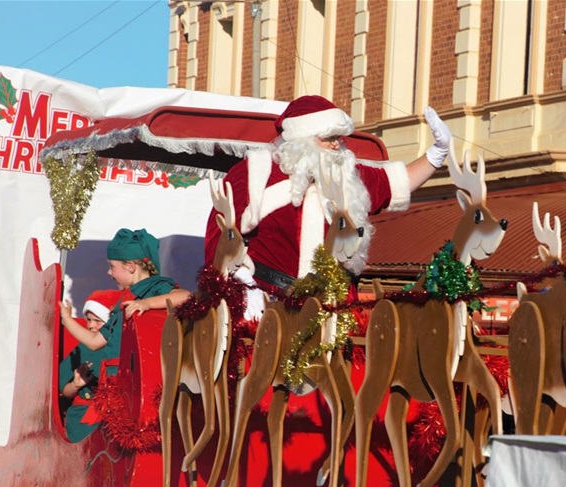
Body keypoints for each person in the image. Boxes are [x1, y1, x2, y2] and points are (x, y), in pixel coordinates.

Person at [203, 94, 453, 293]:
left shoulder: (348, 176)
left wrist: (438, 152)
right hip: (267, 300)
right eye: (329, 138)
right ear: (302, 138)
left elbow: (401, 181)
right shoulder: (255, 172)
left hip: (331, 303)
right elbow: (220, 234)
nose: (337, 144)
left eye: (339, 138)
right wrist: (236, 286)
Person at [60, 228, 191, 379]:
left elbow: (186, 296)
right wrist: (67, 320)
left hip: (142, 379)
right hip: (116, 380)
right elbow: (94, 342)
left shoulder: (155, 286)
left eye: (112, 267)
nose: (109, 273)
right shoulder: (122, 303)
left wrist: (147, 303)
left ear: (130, 267)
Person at [57, 289, 121, 442]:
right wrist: (76, 385)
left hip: (116, 418)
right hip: (82, 418)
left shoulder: (122, 348)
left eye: (97, 321)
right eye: (88, 320)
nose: (91, 325)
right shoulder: (83, 348)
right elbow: (64, 392)